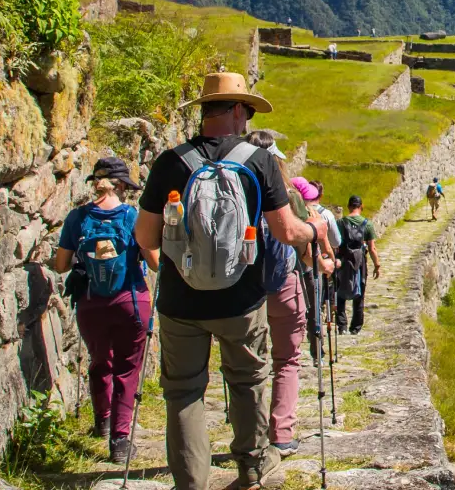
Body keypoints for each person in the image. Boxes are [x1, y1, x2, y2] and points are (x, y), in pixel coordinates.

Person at [134, 73, 334, 490]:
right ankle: (253, 469)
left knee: (183, 393)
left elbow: (145, 237)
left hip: (179, 304)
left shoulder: (171, 161)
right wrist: (314, 231)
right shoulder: (257, 162)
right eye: (247, 112)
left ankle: (191, 482)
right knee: (247, 381)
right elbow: (285, 232)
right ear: (238, 110)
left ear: (205, 111)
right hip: (241, 300)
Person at [51, 157, 153, 464]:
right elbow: (157, 261)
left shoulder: (78, 218)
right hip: (130, 301)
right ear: (122, 186)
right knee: (127, 368)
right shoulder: (134, 217)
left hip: (92, 303)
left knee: (100, 361)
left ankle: (102, 421)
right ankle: (120, 441)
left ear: (95, 182)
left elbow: (60, 265)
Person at [243, 131, 331, 458]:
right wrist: (322, 264)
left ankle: (249, 433)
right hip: (282, 286)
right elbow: (304, 250)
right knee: (286, 360)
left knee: (246, 363)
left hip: (241, 289)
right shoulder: (289, 194)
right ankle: (281, 433)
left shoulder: (234, 188)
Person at [334, 196, 380, 334]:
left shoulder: (340, 223)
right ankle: (355, 328)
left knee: (340, 293)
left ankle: (342, 326)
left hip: (342, 261)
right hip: (360, 263)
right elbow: (372, 248)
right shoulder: (367, 224)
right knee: (360, 294)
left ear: (348, 206)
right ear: (361, 206)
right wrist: (377, 265)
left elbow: (335, 243)